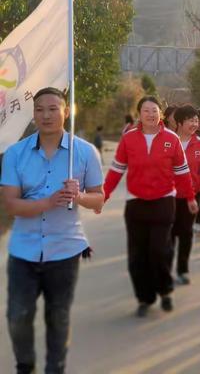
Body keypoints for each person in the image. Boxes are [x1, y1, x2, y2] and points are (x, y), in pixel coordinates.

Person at [1, 87, 104, 374]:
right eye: (39, 109)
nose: (46, 115)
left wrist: (79, 196)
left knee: (58, 317)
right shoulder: (15, 154)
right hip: (24, 249)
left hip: (65, 250)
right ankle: (25, 364)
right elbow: (11, 204)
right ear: (33, 114)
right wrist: (47, 202)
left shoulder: (84, 153)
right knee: (17, 316)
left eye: (52, 108)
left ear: (66, 111)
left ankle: (54, 368)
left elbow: (99, 200)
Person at [103, 96, 198, 317]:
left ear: (161, 114)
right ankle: (145, 297)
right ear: (139, 114)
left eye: (155, 111)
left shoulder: (171, 139)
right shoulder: (129, 139)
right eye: (146, 111)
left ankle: (165, 291)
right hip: (135, 202)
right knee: (137, 256)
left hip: (164, 201)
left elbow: (182, 172)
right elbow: (117, 170)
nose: (151, 114)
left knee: (158, 250)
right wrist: (103, 195)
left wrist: (191, 197)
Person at [172, 105, 200, 284]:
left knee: (186, 232)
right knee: (169, 232)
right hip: (168, 195)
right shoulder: (168, 140)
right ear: (180, 122)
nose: (194, 123)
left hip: (193, 195)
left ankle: (182, 269)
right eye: (190, 120)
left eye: (196, 120)